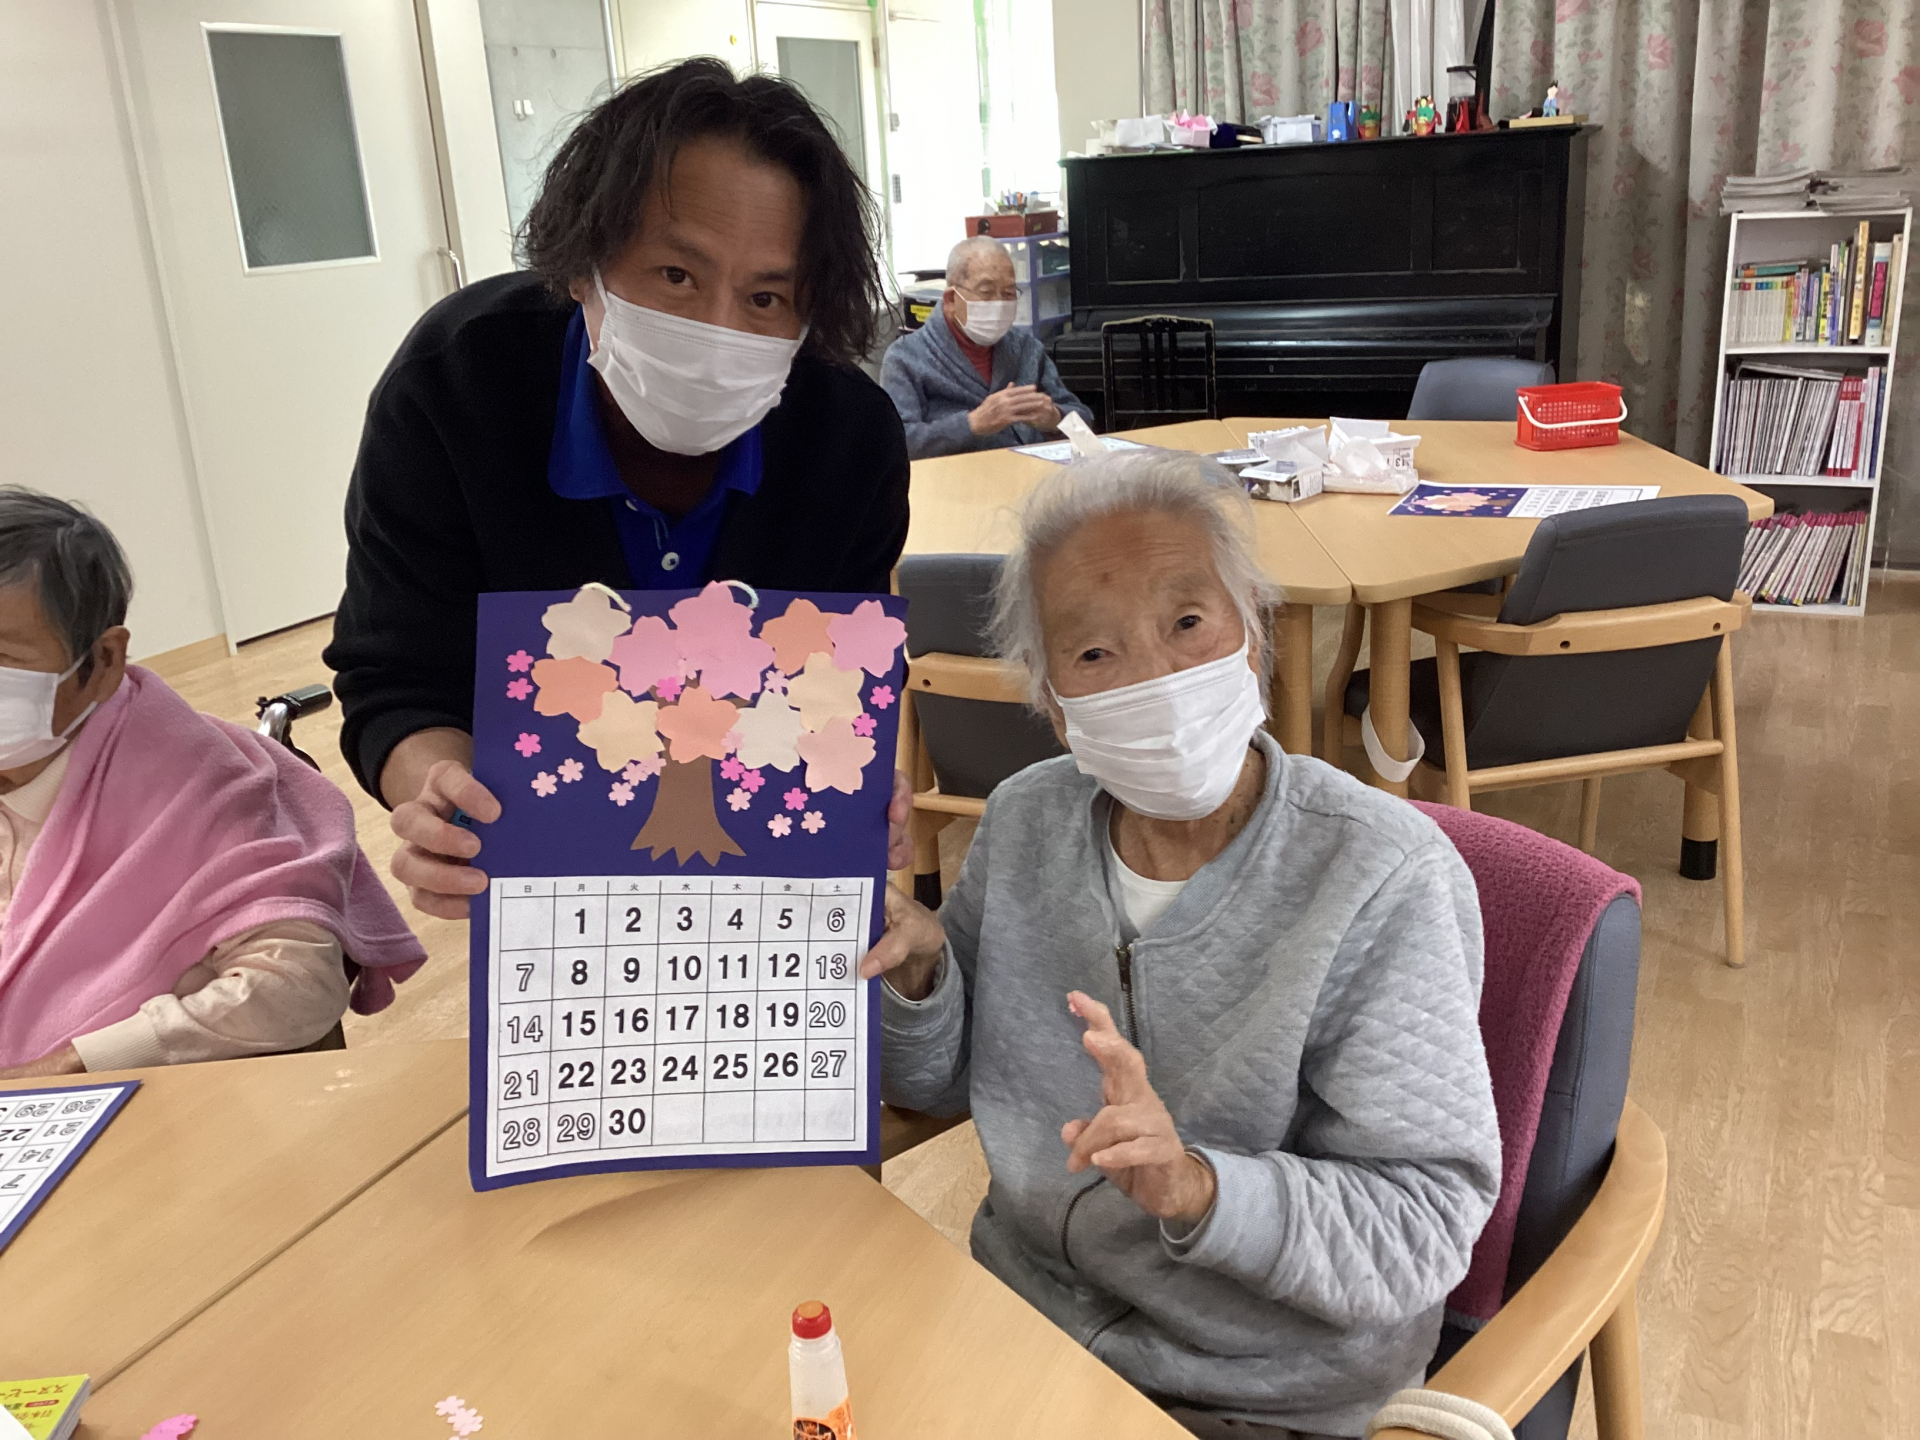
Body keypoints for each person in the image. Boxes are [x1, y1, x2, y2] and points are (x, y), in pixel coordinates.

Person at [862, 451, 1500, 1439]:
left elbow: (1420, 1226)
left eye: (1189, 622)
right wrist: (918, 971)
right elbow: (943, 1084)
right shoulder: (1029, 820)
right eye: (1094, 653)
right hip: (1022, 1326)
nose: (1155, 676)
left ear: (1256, 634)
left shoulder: (1380, 875)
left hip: (1257, 1391)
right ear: (1052, 703)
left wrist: (1198, 1189)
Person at [322, 59, 912, 922]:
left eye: (766, 297)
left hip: (762, 890)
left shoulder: (849, 440)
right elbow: (396, 674)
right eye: (676, 276)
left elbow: (836, 676)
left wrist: (859, 779)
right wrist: (438, 789)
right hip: (546, 887)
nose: (717, 331)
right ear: (582, 263)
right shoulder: (454, 389)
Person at [0, 491, 424, 1079]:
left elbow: (295, 986)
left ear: (103, 660)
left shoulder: (194, 787)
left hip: (154, 1106)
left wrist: (73, 1063)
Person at [880, 236, 1093, 460]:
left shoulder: (1026, 349)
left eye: (1008, 293)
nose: (999, 304)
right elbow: (898, 444)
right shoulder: (905, 358)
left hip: (1032, 474)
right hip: (959, 478)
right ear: (951, 299)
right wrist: (972, 424)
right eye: (986, 292)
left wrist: (1056, 418)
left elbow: (1086, 428)